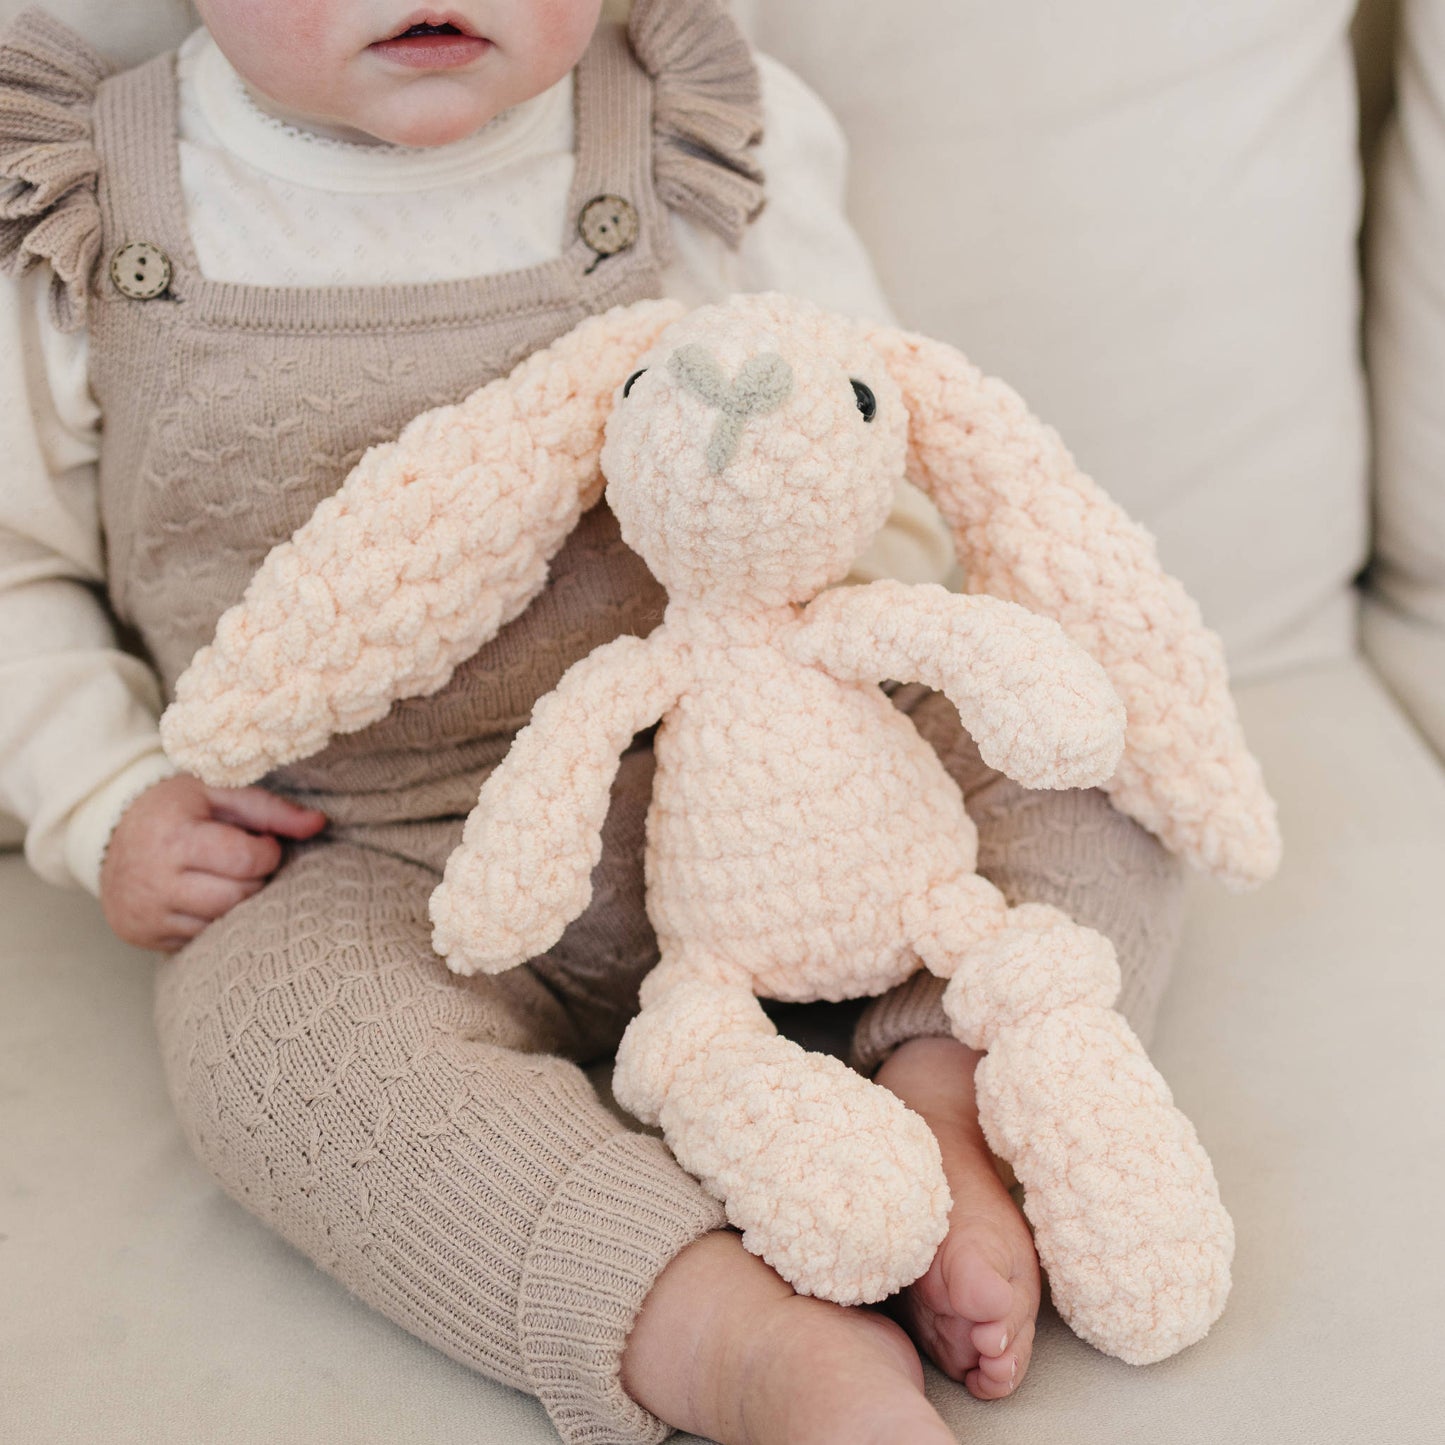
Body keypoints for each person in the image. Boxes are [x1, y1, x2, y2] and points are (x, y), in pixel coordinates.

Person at [0, 2, 1184, 1440]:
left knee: (1094, 747)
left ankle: (948, 1082)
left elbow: (872, 444)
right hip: (380, 852)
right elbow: (14, 566)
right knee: (261, 1042)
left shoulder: (694, 129)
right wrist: (104, 788)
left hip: (776, 767)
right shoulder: (96, 202)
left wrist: (864, 663)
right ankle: (728, 1334)